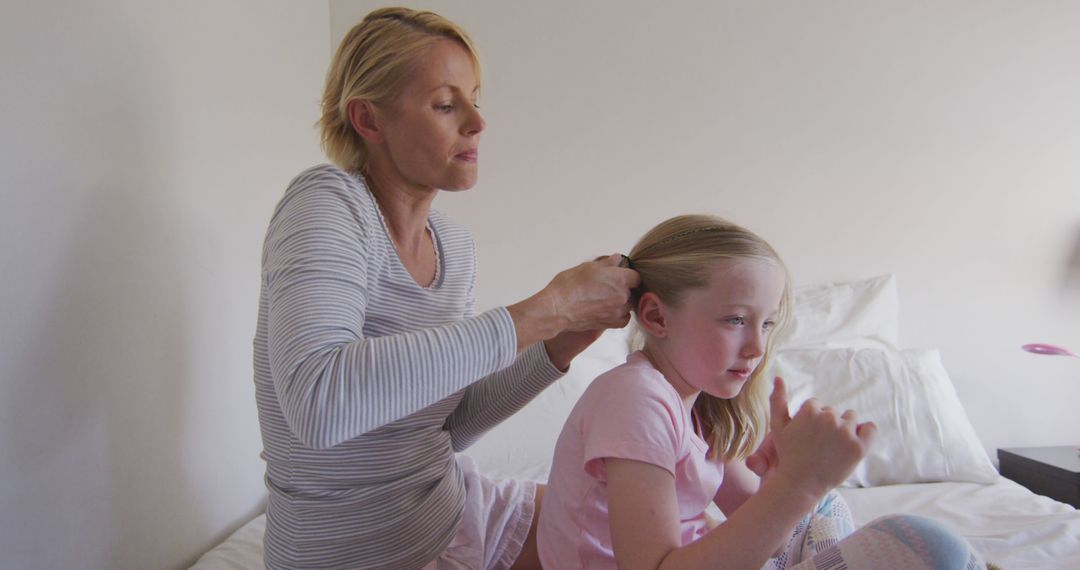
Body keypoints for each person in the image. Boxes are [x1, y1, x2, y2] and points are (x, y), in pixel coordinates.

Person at [252, 7, 638, 570]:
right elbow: (318, 402)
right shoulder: (326, 204)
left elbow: (446, 426)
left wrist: (559, 342)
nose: (478, 122)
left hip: (452, 513)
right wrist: (545, 311)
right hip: (353, 554)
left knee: (632, 532)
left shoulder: (453, 248)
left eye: (475, 100)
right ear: (368, 119)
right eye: (445, 104)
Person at [537, 214, 987, 569]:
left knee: (830, 505)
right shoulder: (635, 397)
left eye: (768, 323)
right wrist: (795, 485)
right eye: (735, 320)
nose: (757, 347)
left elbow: (755, 517)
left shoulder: (695, 406)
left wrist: (788, 477)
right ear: (656, 318)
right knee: (930, 546)